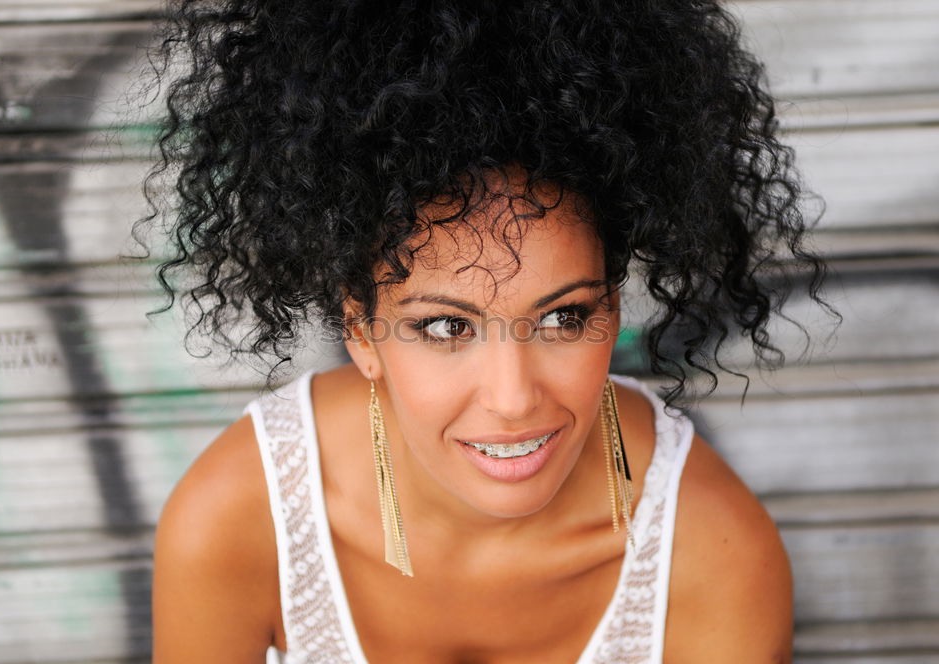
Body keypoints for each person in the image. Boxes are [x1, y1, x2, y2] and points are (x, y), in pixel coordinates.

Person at [144, 1, 834, 662]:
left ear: (613, 309)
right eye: (446, 327)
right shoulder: (242, 518)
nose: (512, 398)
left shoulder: (710, 548)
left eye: (564, 318)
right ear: (360, 329)